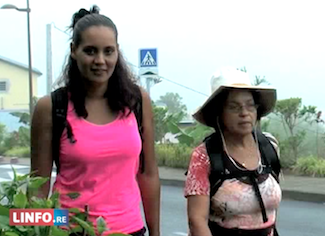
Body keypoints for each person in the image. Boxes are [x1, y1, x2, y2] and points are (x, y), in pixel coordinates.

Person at [30, 5, 160, 236]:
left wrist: (155, 232)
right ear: (73, 50)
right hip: (70, 231)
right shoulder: (51, 107)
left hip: (130, 230)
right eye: (90, 51)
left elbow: (148, 175)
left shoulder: (138, 101)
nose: (100, 60)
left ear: (117, 51)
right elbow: (37, 189)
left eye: (108, 51)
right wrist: (52, 225)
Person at [184, 67, 282, 236]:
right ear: (219, 113)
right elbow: (196, 220)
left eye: (250, 106)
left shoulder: (269, 147)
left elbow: (272, 209)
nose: (244, 113)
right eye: (234, 107)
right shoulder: (203, 156)